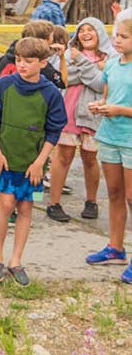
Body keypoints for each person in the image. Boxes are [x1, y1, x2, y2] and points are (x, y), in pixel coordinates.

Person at [0, 37, 67, 286]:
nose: (21, 65)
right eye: (19, 60)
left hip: (33, 164)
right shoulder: (4, 85)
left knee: (26, 208)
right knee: (5, 203)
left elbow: (54, 131)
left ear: (43, 63)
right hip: (5, 159)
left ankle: (16, 260)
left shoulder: (51, 93)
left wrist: (40, 162)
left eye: (28, 61)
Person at [47, 18, 111, 222]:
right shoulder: (68, 53)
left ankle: (91, 201)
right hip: (68, 110)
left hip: (93, 113)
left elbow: (101, 84)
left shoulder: (110, 57)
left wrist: (82, 63)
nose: (85, 33)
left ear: (100, 32)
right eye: (81, 30)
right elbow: (65, 78)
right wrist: (93, 67)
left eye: (90, 29)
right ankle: (54, 203)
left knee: (90, 157)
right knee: (63, 155)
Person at [84, 18, 132, 281]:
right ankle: (115, 247)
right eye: (116, 35)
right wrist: (101, 105)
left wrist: (119, 111)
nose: (117, 40)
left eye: (124, 36)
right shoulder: (112, 64)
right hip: (110, 135)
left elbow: (121, 105)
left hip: (130, 138)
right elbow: (108, 95)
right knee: (114, 192)